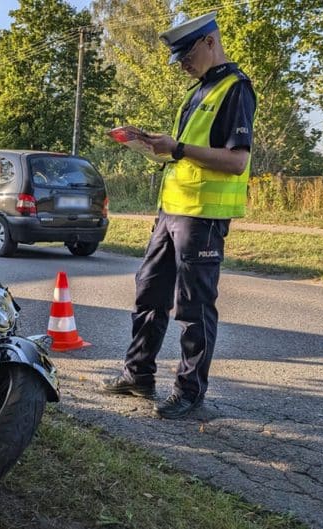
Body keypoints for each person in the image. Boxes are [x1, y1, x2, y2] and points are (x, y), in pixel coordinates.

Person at [101, 12, 257, 419]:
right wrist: (150, 143)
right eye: (180, 58)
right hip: (172, 211)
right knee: (148, 294)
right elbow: (181, 153)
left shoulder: (235, 89)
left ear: (210, 42)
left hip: (202, 217)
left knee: (193, 307)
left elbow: (237, 161)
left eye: (187, 54)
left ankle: (190, 392)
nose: (183, 63)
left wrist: (179, 149)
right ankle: (138, 375)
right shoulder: (198, 91)